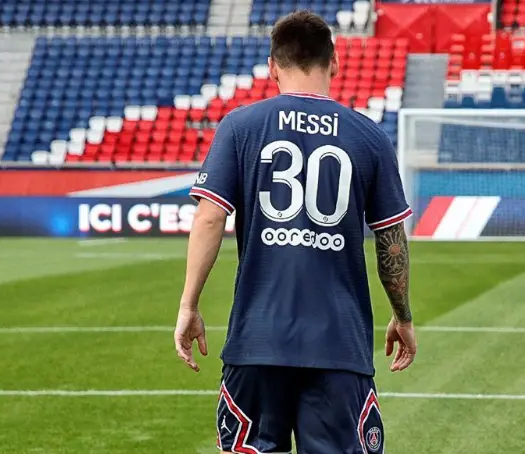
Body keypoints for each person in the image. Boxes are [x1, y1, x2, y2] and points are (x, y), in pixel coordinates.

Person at [174, 10, 417, 454]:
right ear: (335, 62)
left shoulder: (240, 126)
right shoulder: (369, 137)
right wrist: (402, 316)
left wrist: (189, 305)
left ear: (272, 67)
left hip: (257, 341)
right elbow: (391, 240)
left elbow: (209, 217)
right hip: (339, 345)